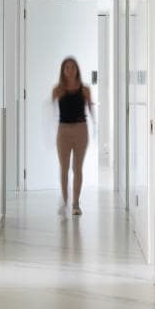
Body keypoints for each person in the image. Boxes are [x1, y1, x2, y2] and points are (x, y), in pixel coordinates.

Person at [52, 56, 93, 217]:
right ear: (63, 71)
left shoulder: (85, 90)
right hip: (63, 131)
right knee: (64, 168)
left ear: (77, 70)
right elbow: (49, 112)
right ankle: (64, 200)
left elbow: (91, 110)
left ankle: (76, 203)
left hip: (81, 130)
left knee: (77, 168)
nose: (70, 70)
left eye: (73, 67)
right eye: (67, 67)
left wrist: (95, 127)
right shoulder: (58, 90)